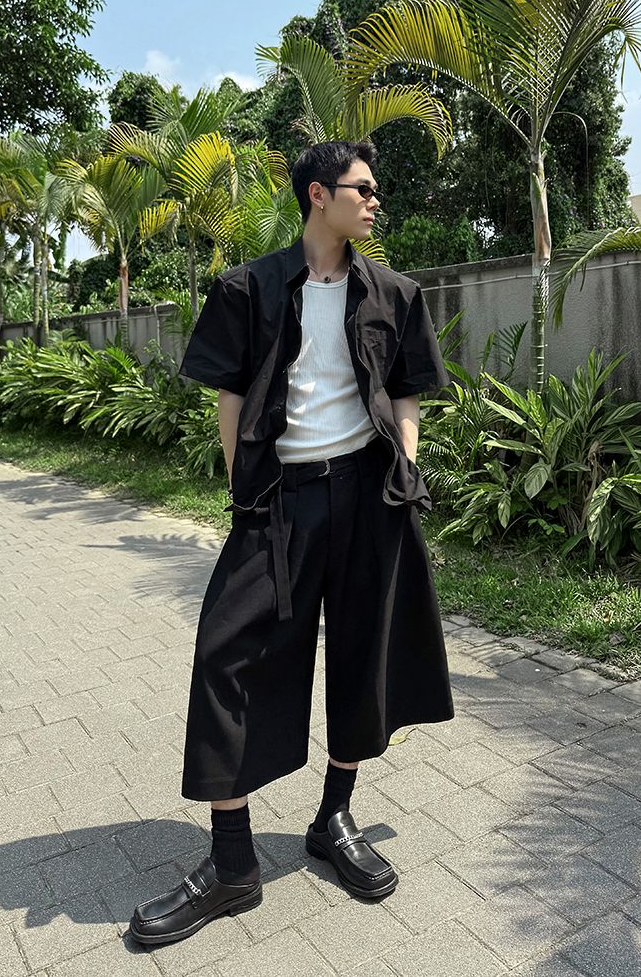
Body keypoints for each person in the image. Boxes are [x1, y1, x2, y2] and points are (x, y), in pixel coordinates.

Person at [130, 140, 454, 946]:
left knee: (362, 657)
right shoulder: (248, 287)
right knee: (225, 652)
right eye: (362, 189)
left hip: (370, 498)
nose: (375, 201)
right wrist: (244, 488)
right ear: (319, 194)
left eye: (375, 190)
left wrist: (405, 466)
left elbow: (405, 392)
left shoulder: (395, 293)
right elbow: (230, 395)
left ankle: (333, 818)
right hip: (279, 500)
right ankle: (232, 862)